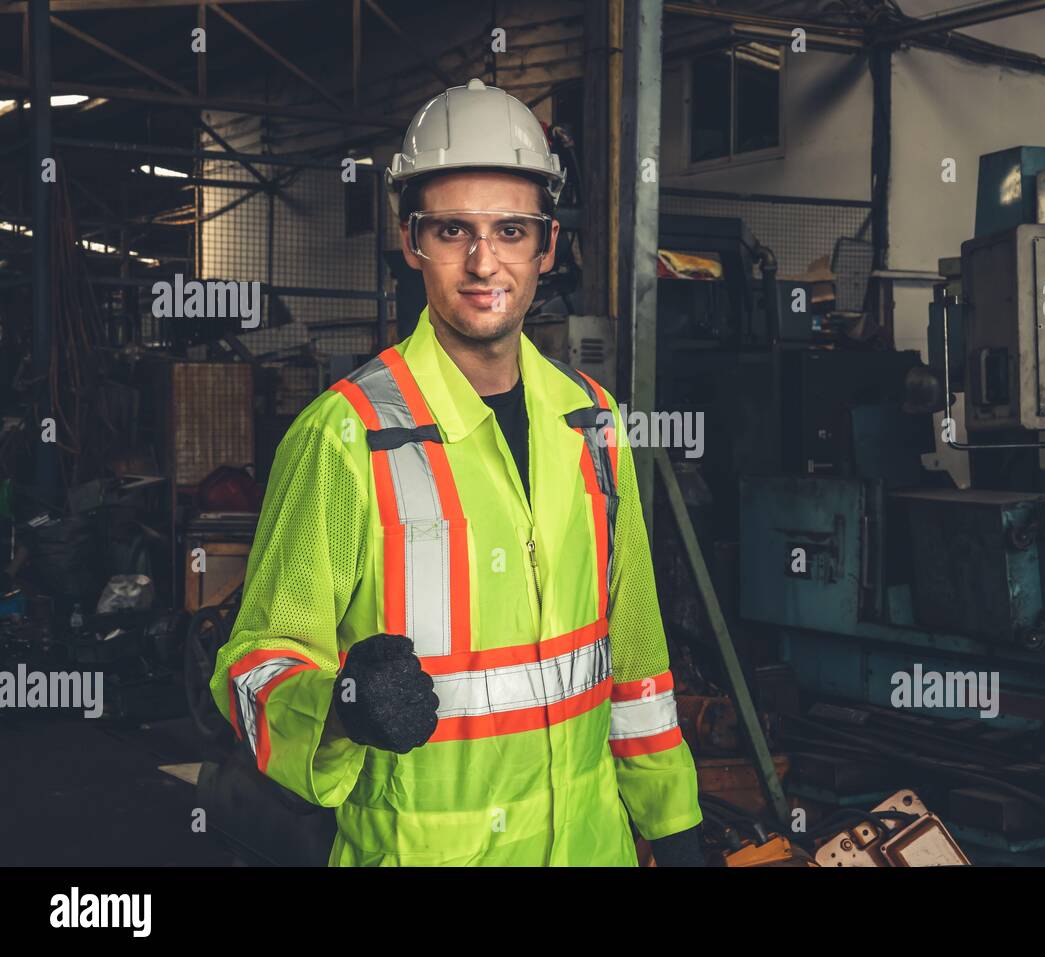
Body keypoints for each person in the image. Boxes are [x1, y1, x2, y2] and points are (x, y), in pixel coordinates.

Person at [208, 78, 704, 866]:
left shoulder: (594, 425)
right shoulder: (346, 436)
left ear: (547, 246)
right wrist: (342, 705)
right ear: (412, 242)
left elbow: (635, 658)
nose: (484, 262)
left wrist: (673, 824)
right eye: (452, 231)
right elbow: (253, 665)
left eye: (511, 231)